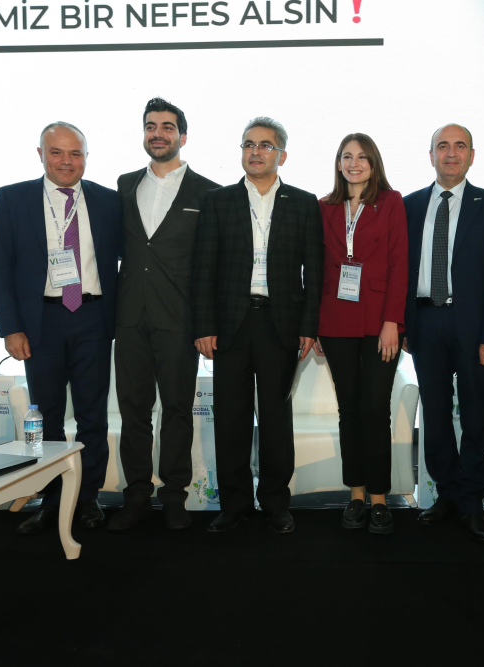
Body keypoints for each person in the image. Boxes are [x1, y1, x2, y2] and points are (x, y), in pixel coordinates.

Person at [0, 122, 121, 534]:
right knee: (45, 417)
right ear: (41, 155)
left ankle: (88, 496)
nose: (66, 161)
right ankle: (51, 498)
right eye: (57, 152)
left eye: (75, 153)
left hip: (93, 317)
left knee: (92, 415)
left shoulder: (108, 200)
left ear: (86, 157)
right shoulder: (13, 198)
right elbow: (0, 268)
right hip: (40, 321)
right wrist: (10, 327)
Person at [192, 117, 324, 534]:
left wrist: (309, 326)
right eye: (249, 144)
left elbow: (314, 271)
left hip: (279, 323)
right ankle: (233, 505)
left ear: (281, 155)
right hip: (230, 324)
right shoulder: (218, 201)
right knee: (230, 418)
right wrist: (204, 325)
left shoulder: (303, 203)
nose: (256, 151)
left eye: (265, 145)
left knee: (275, 419)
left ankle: (275, 502)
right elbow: (203, 269)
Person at [108, 98, 220, 532]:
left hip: (179, 320)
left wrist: (206, 323)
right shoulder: (124, 185)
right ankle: (136, 496)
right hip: (129, 318)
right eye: (151, 126)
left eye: (167, 127)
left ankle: (175, 496)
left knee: (176, 411)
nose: (158, 133)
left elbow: (210, 264)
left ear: (182, 137)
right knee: (133, 412)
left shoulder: (208, 192)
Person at [403, 124, 484, 543]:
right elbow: (400, 269)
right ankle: (446, 494)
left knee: (476, 416)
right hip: (425, 321)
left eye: (459, 146)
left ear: (471, 155)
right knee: (434, 414)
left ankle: (471, 501)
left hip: (475, 327)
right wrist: (403, 323)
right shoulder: (409, 206)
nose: (451, 153)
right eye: (442, 146)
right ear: (430, 155)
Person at [312, 133, 408, 534]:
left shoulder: (391, 201)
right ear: (338, 163)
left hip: (379, 321)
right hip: (336, 319)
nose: (354, 163)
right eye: (347, 156)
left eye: (362, 157)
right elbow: (316, 266)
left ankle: (380, 498)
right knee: (348, 408)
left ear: (374, 163)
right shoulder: (324, 206)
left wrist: (393, 322)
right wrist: (315, 325)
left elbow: (399, 262)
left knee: (375, 408)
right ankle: (355, 494)